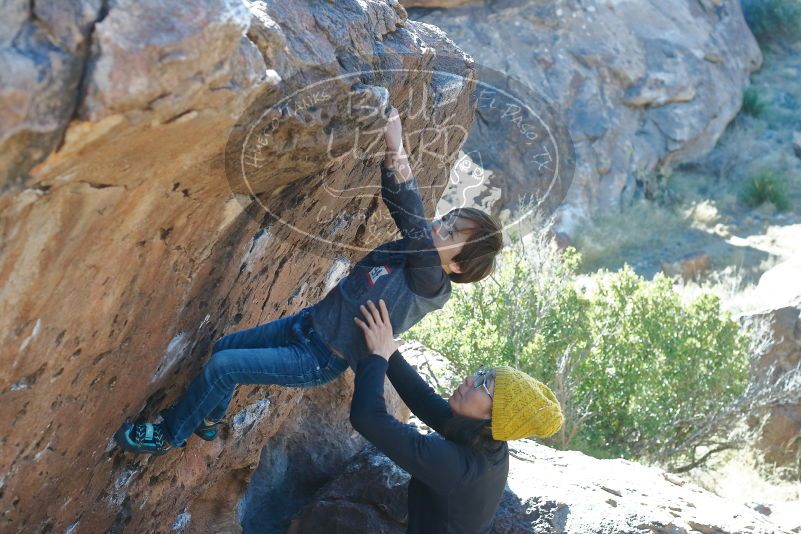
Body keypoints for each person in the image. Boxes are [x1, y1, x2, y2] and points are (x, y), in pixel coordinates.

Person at [114, 105, 504, 455]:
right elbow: (404, 211)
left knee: (224, 367)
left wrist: (395, 144)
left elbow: (412, 215)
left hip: (319, 358)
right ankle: (208, 419)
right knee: (225, 347)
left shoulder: (429, 283)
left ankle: (168, 435)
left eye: (451, 235)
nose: (441, 227)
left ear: (456, 268)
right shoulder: (416, 256)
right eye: (448, 220)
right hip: (308, 323)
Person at [350, 299, 563, 533]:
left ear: (495, 416)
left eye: (483, 384)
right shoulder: (484, 437)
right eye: (482, 372)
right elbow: (424, 400)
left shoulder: (459, 466)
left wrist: (377, 357)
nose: (470, 379)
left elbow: (367, 418)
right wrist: (389, 350)